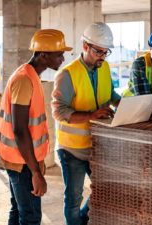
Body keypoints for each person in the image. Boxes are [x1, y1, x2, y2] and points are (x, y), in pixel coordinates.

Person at [0, 29, 72, 225]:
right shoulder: (24, 80)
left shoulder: (31, 75)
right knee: (31, 216)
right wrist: (36, 172)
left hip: (22, 159)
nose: (62, 58)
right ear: (43, 54)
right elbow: (19, 130)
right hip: (22, 162)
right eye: (59, 54)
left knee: (19, 211)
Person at [51, 22, 121, 225]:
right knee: (73, 199)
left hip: (97, 145)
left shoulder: (104, 67)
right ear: (85, 46)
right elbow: (59, 111)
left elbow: (110, 94)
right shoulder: (67, 75)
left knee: (104, 188)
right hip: (72, 149)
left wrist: (124, 104)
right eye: (99, 51)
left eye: (106, 52)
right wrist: (91, 115)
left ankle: (81, 221)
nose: (102, 56)